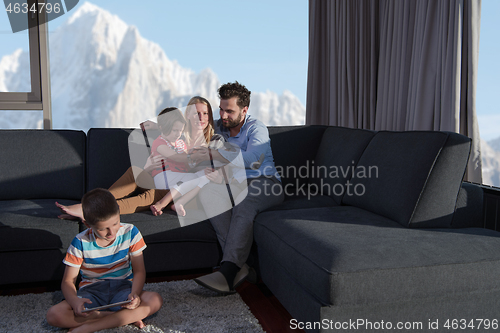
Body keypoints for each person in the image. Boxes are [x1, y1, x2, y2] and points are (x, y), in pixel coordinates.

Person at [191, 81, 284, 294]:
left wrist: (215, 154)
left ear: (244, 110)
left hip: (266, 183)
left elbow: (254, 159)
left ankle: (228, 272)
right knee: (208, 192)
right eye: (221, 109)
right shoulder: (218, 126)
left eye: (229, 111)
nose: (223, 116)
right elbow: (191, 127)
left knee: (244, 200)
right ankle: (238, 267)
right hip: (233, 183)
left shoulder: (255, 127)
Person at [56, 96, 216, 220]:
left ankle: (92, 212)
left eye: (205, 113)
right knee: (135, 171)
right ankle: (90, 204)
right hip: (163, 178)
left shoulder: (211, 142)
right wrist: (154, 127)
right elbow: (165, 131)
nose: (200, 118)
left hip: (177, 190)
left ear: (210, 116)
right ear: (187, 114)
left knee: (148, 196)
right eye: (196, 113)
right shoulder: (180, 134)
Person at [46, 188, 163, 333]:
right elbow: (68, 281)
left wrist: (135, 294)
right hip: (91, 293)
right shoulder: (80, 242)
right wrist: (75, 302)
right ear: (88, 224)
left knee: (155, 300)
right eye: (103, 229)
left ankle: (91, 325)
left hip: (124, 290)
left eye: (115, 223)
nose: (111, 232)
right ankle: (123, 318)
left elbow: (139, 271)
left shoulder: (131, 232)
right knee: (53, 315)